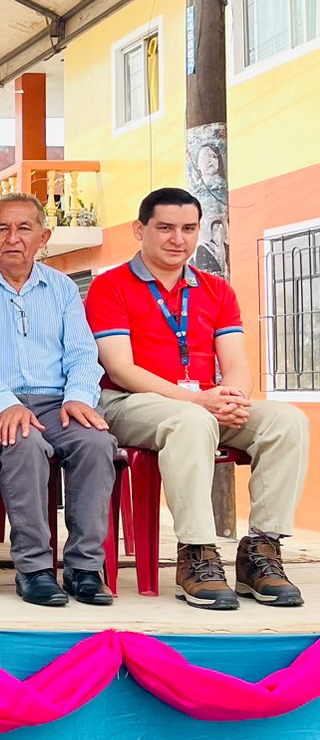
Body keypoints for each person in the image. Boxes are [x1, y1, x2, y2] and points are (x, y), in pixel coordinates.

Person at [86, 187, 306, 609]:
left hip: (203, 405)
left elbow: (237, 363)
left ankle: (261, 551)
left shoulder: (216, 289)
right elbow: (121, 368)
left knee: (287, 420)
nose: (178, 239)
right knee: (191, 421)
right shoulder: (110, 286)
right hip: (129, 403)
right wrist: (199, 402)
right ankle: (197, 553)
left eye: (188, 229)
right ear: (139, 230)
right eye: (165, 228)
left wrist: (232, 397)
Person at [0, 193, 116, 607]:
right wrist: (6, 403)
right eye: (1, 229)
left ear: (43, 237)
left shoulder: (62, 288)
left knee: (96, 442)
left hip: (55, 402)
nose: (12, 238)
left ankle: (84, 568)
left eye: (23, 228)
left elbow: (82, 353)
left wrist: (78, 397)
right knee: (23, 442)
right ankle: (34, 569)